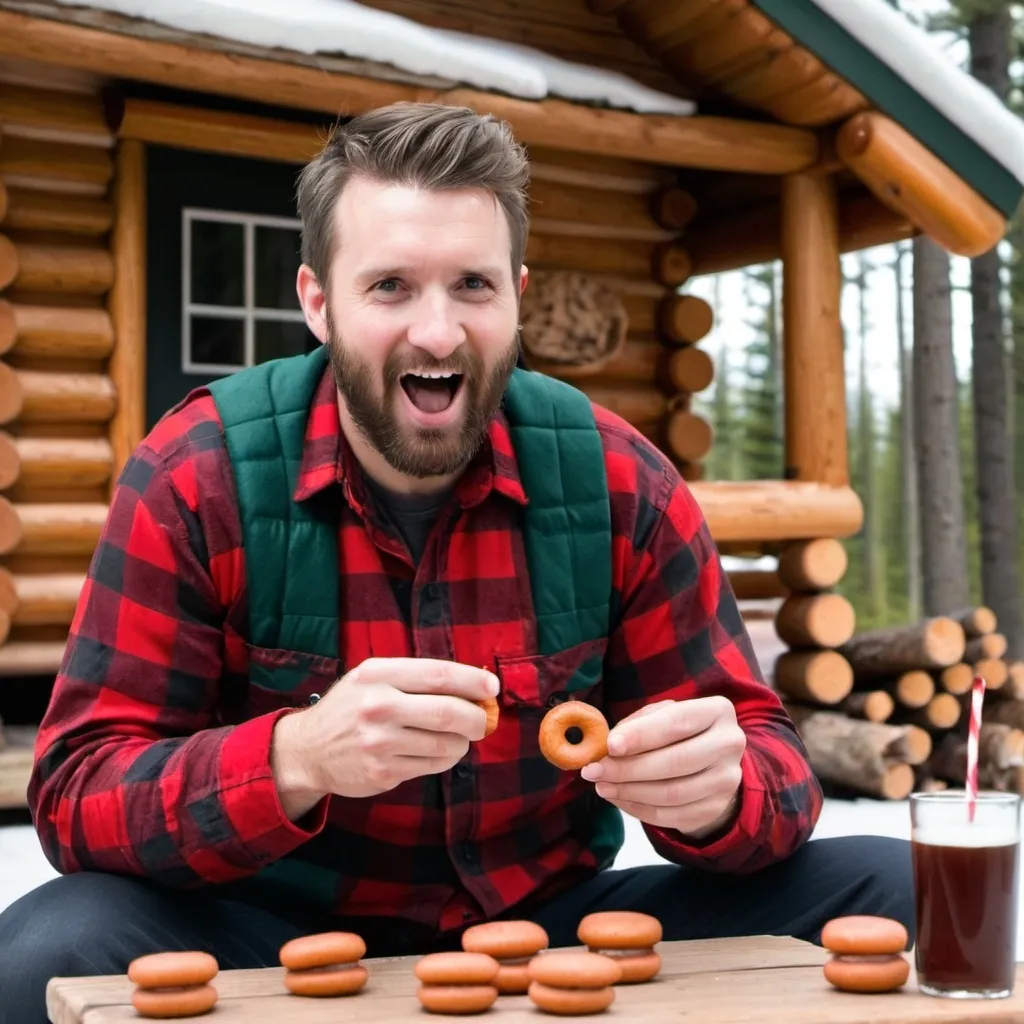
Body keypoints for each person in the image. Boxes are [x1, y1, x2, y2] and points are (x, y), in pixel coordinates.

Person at [0, 102, 913, 1022]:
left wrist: (723, 794)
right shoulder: (197, 476)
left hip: (551, 930)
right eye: (390, 286)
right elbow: (78, 792)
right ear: (318, 302)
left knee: (895, 886)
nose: (437, 333)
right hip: (270, 939)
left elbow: (775, 771)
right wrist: (294, 757)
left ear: (516, 294)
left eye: (472, 286)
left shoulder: (621, 483)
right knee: (43, 952)